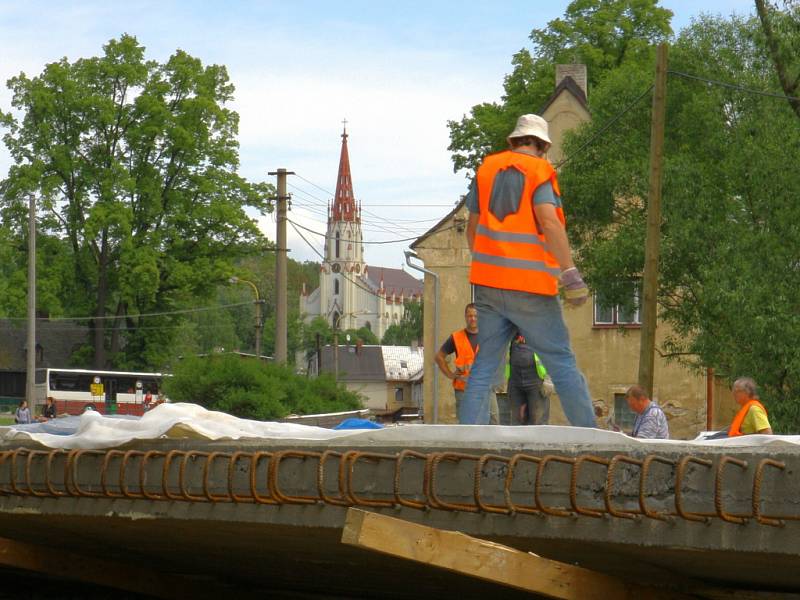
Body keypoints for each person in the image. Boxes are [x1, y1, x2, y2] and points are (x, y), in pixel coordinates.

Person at [460, 113, 596, 427]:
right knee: (561, 364)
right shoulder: (540, 170)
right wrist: (570, 273)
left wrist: (488, 262)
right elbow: (548, 221)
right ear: (543, 146)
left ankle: (465, 441)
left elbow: (473, 229)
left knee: (483, 368)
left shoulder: (486, 170)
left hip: (488, 287)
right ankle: (591, 439)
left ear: (513, 141)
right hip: (531, 288)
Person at [435, 303, 499, 424]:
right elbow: (439, 357)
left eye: (475, 316)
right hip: (464, 389)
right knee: (467, 425)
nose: (473, 318)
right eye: (470, 316)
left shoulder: (489, 336)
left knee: (494, 422)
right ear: (465, 317)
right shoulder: (456, 337)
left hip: (486, 387)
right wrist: (450, 375)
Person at [507, 334, 550, 425]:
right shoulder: (510, 325)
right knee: (516, 422)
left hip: (536, 381)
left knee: (537, 422)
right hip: (515, 381)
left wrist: (548, 379)